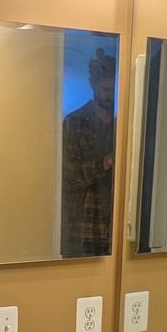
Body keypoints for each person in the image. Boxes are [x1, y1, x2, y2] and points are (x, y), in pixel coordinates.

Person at [61, 46, 116, 256]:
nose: (110, 96)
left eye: (114, 90)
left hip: (116, 229)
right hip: (81, 229)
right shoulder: (75, 122)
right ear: (92, 83)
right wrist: (107, 162)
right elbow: (68, 176)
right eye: (106, 89)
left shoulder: (124, 125)